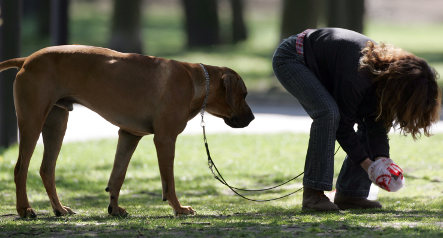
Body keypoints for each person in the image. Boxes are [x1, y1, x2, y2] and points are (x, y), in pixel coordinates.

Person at [272, 28, 441, 211]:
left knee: (366, 121)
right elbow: (342, 127)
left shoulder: (382, 80)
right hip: (293, 57)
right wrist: (369, 166)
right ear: (400, 89)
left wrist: (382, 160)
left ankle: (351, 195)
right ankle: (313, 195)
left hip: (323, 62)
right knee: (328, 114)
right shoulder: (359, 75)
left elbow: (375, 123)